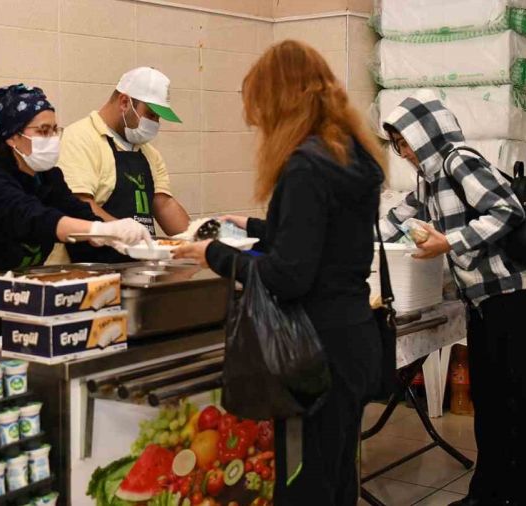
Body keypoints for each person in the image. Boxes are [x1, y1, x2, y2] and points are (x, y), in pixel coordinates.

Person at [174, 40, 386, 504]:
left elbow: (290, 274)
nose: (257, 124)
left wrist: (212, 254)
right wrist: (248, 225)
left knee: (306, 483)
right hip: (353, 335)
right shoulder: (352, 156)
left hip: (314, 349)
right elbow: (323, 238)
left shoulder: (304, 165)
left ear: (279, 101)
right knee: (337, 473)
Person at [380, 90, 526, 506]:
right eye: (396, 145)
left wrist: (449, 242)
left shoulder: (459, 160)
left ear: (423, 133)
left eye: (404, 142)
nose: (402, 153)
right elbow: (395, 221)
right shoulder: (430, 180)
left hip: (510, 296)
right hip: (485, 302)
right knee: (489, 403)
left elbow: (508, 210)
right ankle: (488, 494)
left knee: (516, 403)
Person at [0, 84, 151, 323]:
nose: (52, 139)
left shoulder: (48, 178)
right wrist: (99, 230)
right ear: (12, 137)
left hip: (9, 306)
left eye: (54, 130)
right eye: (43, 131)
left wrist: (133, 252)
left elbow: (77, 216)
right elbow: (34, 218)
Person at [58, 67, 191, 262]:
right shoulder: (79, 139)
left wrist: (201, 242)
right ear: (124, 102)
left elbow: (164, 204)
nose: (155, 123)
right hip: (90, 267)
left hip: (138, 266)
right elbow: (80, 203)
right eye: (151, 114)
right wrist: (123, 232)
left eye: (158, 118)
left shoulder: (148, 152)